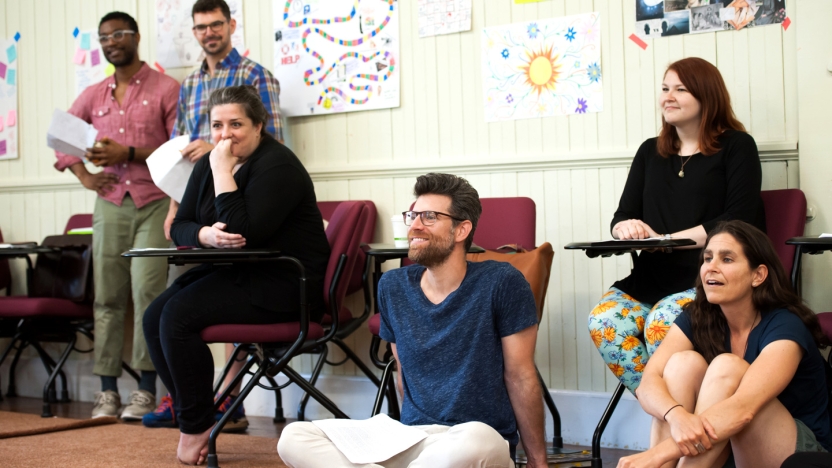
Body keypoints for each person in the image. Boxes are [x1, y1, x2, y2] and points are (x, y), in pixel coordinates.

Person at [278, 173, 547, 468]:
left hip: (472, 441)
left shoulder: (502, 282)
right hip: (412, 439)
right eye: (413, 215)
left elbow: (521, 376)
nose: (415, 226)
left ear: (461, 230)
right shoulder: (393, 286)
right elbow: (403, 375)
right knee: (295, 436)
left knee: (478, 439)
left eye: (429, 217)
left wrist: (537, 461)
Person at [142, 85, 329, 466]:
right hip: (240, 274)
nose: (225, 135)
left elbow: (246, 234)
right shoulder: (208, 164)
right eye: (217, 125)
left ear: (260, 126)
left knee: (177, 319)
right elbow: (179, 224)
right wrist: (202, 234)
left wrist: (222, 171)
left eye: (236, 124)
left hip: (285, 284)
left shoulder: (278, 166)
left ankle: (196, 426)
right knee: (153, 317)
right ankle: (194, 413)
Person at [144, 0, 284, 431]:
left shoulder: (255, 75)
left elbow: (272, 139)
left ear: (231, 25)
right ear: (194, 31)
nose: (209, 32)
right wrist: (174, 207)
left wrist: (219, 150)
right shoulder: (188, 85)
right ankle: (195, 400)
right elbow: (179, 150)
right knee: (172, 306)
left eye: (216, 24)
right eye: (201, 26)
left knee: (223, 303)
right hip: (198, 198)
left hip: (245, 198)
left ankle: (231, 401)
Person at [587, 57, 766, 395]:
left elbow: (738, 219)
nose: (668, 97)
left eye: (680, 89)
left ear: (706, 96)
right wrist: (625, 228)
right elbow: (621, 216)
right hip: (652, 278)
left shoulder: (737, 147)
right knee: (604, 319)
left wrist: (668, 238)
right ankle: (666, 414)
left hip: (708, 278)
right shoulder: (649, 152)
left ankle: (685, 419)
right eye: (665, 88)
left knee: (662, 324)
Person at [618, 220, 831, 468]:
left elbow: (742, 409)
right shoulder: (698, 315)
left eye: (727, 259)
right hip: (727, 443)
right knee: (682, 364)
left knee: (727, 367)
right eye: (707, 258)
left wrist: (657, 454)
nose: (711, 268)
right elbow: (648, 384)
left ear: (758, 275)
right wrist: (676, 416)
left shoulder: (786, 326)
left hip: (801, 454)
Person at [53, 11, 180, 420]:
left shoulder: (166, 88)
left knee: (148, 294)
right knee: (107, 297)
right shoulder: (94, 93)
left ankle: (145, 388)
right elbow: (61, 136)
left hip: (155, 201)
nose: (112, 41)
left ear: (136, 37)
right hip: (109, 203)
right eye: (105, 36)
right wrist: (84, 176)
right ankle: (106, 390)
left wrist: (126, 153)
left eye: (120, 34)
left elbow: (180, 147)